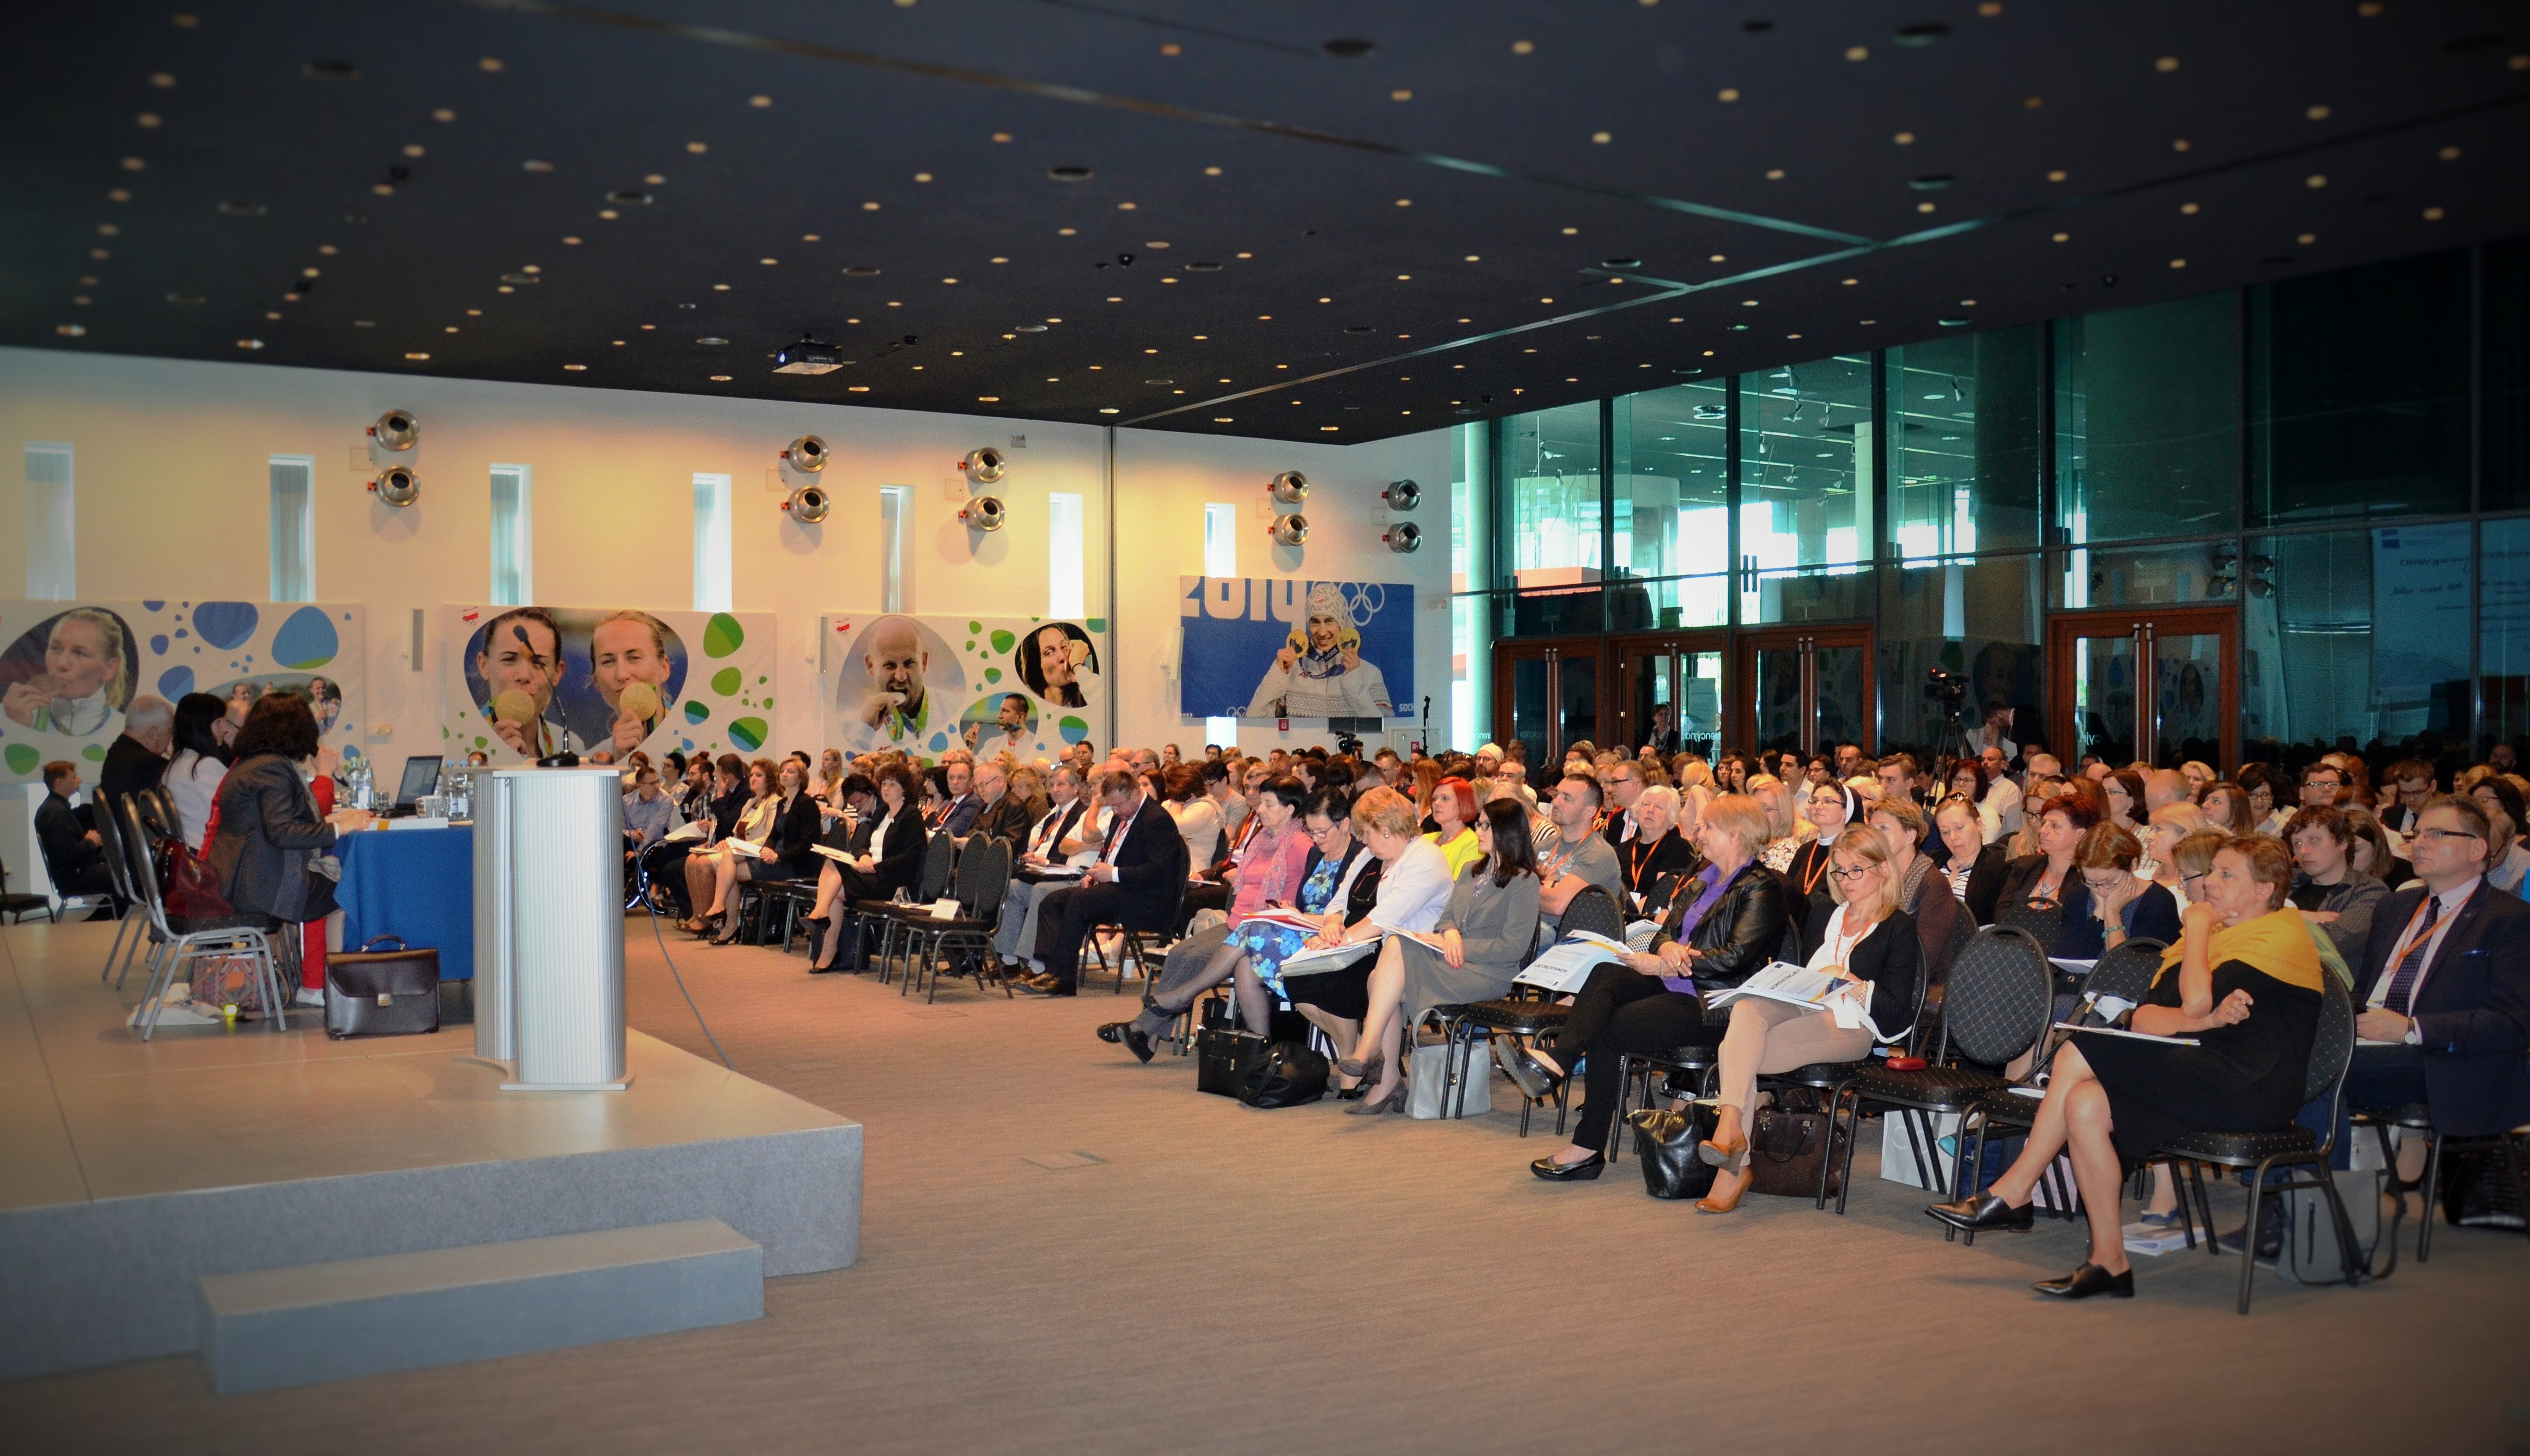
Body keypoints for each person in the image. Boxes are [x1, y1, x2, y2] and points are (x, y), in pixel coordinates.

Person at [1930, 835, 2326, 1300]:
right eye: (2211, 872)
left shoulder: (2279, 936)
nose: (2209, 884)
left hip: (2251, 1087)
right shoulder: (2209, 940)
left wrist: (2198, 931)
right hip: (2196, 1070)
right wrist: (2200, 1014)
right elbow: (2146, 1017)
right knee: (2083, 1104)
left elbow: (2194, 1003)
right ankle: (2108, 1261)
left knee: (2076, 1051)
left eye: (2226, 874)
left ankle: (2015, 1190)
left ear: (2265, 888)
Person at [1508, 794, 1791, 1179]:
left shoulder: (1761, 888)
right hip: (1676, 984)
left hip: (1714, 1003)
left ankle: (1586, 1143)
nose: (1699, 834)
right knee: (1605, 974)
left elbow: (1735, 958)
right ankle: (1560, 1061)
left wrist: (1665, 963)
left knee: (1607, 1027)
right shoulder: (1704, 878)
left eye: (1708, 827)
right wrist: (1667, 949)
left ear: (1736, 834)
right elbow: (1663, 934)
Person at [1687, 830, 1923, 1213]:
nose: (1846, 880)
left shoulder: (1898, 926)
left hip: (1852, 1024)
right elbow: (1803, 974)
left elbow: (1897, 1011)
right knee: (1746, 1008)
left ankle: (1732, 1160)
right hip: (1804, 1004)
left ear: (1883, 870)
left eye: (1856, 870)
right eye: (1840, 871)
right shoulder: (1826, 915)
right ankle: (1731, 1132)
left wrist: (1849, 982)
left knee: (1738, 1052)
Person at [2341, 794, 2530, 1180]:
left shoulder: (2509, 919)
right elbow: (2363, 991)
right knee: (2292, 1045)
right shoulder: (2395, 907)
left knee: (2314, 1066)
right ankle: (2321, 1193)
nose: (2420, 844)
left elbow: (2512, 1023)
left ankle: (2318, 1196)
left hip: (2443, 1058)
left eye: (2437, 834)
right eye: (2417, 835)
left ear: (2477, 849)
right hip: (2371, 1041)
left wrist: (2412, 1029)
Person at [1332, 798, 1541, 1115]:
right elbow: (1447, 918)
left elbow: (1513, 947)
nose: (1478, 830)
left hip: (1488, 973)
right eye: (1479, 824)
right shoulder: (1472, 871)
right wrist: (1450, 933)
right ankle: (1377, 1067)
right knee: (1387, 964)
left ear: (1506, 831)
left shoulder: (1525, 881)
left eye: (1485, 825)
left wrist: (1457, 945)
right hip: (1452, 961)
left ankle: (1374, 1061)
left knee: (1384, 973)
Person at [1096, 774, 1311, 1062]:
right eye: (1261, 803)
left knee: (1196, 958)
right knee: (1181, 953)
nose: (1260, 809)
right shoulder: (1262, 839)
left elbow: (1308, 894)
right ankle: (1150, 1035)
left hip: (1263, 930)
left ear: (1290, 810)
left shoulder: (1300, 845)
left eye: (1269, 805)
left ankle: (1142, 1029)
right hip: (1237, 921)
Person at [204, 696, 373, 931]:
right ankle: (351, 958)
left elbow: (271, 825)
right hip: (262, 888)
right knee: (354, 888)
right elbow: (282, 833)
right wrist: (340, 828)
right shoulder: (272, 768)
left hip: (245, 883)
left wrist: (335, 821)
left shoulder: (251, 764)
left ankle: (328, 958)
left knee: (345, 888)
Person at [1020, 767, 1190, 996]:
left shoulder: (1157, 820)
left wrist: (1113, 874)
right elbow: (1108, 852)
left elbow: (1159, 871)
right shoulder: (1123, 816)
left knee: (1080, 902)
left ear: (1134, 794)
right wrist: (1094, 874)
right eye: (1112, 806)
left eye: (1118, 805)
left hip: (1147, 897)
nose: (1116, 811)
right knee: (1053, 901)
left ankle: (1064, 979)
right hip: (1119, 890)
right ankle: (1049, 969)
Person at [808, 764, 927, 972]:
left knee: (834, 887)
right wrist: (863, 856)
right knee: (832, 871)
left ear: (904, 790)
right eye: (884, 784)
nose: (886, 788)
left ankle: (821, 921)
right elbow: (864, 844)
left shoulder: (911, 815)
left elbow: (911, 856)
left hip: (892, 881)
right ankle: (827, 942)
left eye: (892, 784)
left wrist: (876, 867)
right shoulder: (881, 813)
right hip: (869, 873)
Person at [700, 757, 819, 945]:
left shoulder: (807, 804)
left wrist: (778, 855)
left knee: (729, 869)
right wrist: (768, 849)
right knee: (728, 865)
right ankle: (726, 919)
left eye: (791, 772)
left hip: (792, 864)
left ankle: (724, 916)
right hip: (773, 857)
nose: (785, 775)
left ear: (801, 778)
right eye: (783, 771)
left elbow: (808, 843)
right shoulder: (783, 804)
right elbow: (773, 835)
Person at [1245, 582, 1393, 718]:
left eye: (1329, 621)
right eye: (1315, 622)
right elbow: (1252, 721)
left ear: (1341, 623)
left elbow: (1385, 730)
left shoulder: (1369, 673)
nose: (1322, 632)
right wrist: (1277, 674)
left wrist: (1354, 681)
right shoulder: (1290, 671)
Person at [2285, 805, 2389, 969]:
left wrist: (2277, 919)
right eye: (2297, 843)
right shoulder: (2286, 882)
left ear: (2342, 842)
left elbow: (2330, 944)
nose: (2303, 851)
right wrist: (2299, 916)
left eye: (2314, 840)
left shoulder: (2370, 890)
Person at [472, 607, 582, 760]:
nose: (524, 676)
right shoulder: (463, 741)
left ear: (557, 673)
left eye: (538, 662)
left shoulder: (571, 746)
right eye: (509, 660)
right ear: (484, 666)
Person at [680, 758, 775, 933]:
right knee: (692, 859)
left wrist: (735, 844)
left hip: (755, 851)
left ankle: (711, 916)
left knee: (705, 863)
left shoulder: (773, 802)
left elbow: (768, 837)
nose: (753, 779)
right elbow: (735, 830)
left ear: (770, 779)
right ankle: (699, 913)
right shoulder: (751, 801)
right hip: (741, 848)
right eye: (752, 775)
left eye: (759, 775)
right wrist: (727, 842)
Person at [4, 607, 131, 735]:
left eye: (79, 653)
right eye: (56, 649)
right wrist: (14, 728)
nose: (62, 664)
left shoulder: (124, 730)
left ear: (109, 669)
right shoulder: (13, 715)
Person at [2076, 822, 2184, 955]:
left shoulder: (2158, 901)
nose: (2101, 891)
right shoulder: (2080, 895)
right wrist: (2098, 914)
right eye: (2092, 882)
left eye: (2109, 882)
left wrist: (2112, 911)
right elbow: (2068, 959)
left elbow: (2125, 963)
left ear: (2133, 865)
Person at [1536, 772, 1624, 928]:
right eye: (1557, 795)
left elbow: (1558, 905)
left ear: (1589, 812)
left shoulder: (1598, 853)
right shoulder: (1545, 845)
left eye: (1567, 798)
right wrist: (1550, 888)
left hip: (1562, 935)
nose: (1555, 802)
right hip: (1529, 926)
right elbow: (1507, 885)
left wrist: (1522, 893)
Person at [34, 761, 123, 909]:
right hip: (72, 877)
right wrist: (91, 842)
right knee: (124, 876)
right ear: (59, 782)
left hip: (72, 873)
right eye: (73, 777)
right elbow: (70, 855)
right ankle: (106, 916)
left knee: (120, 869)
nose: (79, 780)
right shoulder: (57, 813)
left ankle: (106, 915)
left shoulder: (55, 808)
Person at [588, 610, 674, 759]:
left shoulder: (702, 737)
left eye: (634, 658)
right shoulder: (594, 763)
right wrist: (620, 761)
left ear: (664, 668)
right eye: (608, 662)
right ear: (596, 680)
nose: (622, 674)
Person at [1784, 781, 1861, 946]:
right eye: (1815, 801)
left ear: (1845, 812)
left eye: (1828, 801)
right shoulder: (1805, 850)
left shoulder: (1851, 853)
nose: (1818, 806)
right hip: (1799, 935)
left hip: (1831, 936)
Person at [1617, 784, 1699, 919]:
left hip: (1651, 919)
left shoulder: (1677, 847)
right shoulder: (1623, 849)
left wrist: (1629, 915)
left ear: (1671, 817)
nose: (1650, 810)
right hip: (1622, 916)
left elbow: (1662, 895)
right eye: (1646, 804)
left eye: (1659, 807)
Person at [164, 693, 234, 849]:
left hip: (192, 851)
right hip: (209, 853)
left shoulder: (177, 763)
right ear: (200, 727)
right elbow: (234, 813)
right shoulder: (203, 767)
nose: (225, 729)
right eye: (219, 722)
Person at [1935, 795, 2011, 927]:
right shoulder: (1933, 861)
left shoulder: (1998, 869)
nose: (1953, 837)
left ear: (1979, 825)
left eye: (1959, 827)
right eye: (1945, 832)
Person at [98, 694, 174, 813]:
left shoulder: (117, 751)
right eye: (170, 731)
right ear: (153, 733)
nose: (171, 737)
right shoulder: (148, 764)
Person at [1156, 762, 1222, 872]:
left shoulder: (1204, 808)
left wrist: (1178, 802)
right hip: (1170, 864)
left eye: (1171, 787)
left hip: (1193, 869)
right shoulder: (1169, 804)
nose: (1167, 791)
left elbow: (1175, 828)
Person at [1019, 623, 1094, 708]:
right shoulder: (1032, 709)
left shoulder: (1088, 698)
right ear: (1036, 665)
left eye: (1064, 647)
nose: (1062, 657)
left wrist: (1080, 663)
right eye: (1049, 653)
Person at [1422, 775, 1482, 876]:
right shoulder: (1426, 839)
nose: (1436, 803)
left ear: (1463, 802)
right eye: (1434, 799)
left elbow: (1459, 883)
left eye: (1445, 798)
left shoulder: (1472, 843)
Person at [967, 760, 1037, 844]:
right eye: (977, 786)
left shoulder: (1014, 808)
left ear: (1000, 781)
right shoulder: (986, 804)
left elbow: (1008, 846)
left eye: (983, 785)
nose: (980, 790)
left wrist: (972, 845)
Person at [1746, 773, 1804, 873]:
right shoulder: (1751, 846)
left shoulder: (1788, 851)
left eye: (1766, 809)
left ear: (1783, 813)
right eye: (1754, 807)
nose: (1758, 813)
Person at [2376, 759, 2437, 835]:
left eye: (2418, 792)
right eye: (2405, 793)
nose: (2411, 799)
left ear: (2433, 787)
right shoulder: (2387, 816)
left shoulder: (2446, 816)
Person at [1598, 758, 1647, 847]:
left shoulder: (1652, 819)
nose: (1610, 789)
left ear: (1634, 784)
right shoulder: (1617, 820)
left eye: (1615, 782)